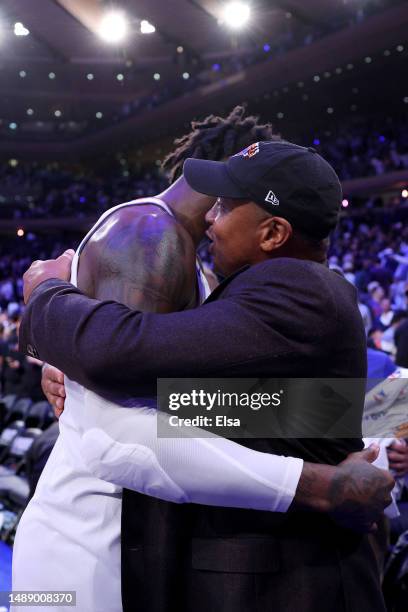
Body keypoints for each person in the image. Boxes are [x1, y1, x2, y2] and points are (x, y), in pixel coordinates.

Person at [20, 139, 393, 611]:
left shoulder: (293, 287)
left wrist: (46, 294)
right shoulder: (261, 284)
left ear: (273, 233)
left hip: (287, 583)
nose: (209, 218)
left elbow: (120, 374)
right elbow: (262, 407)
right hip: (101, 560)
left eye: (224, 205)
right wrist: (71, 373)